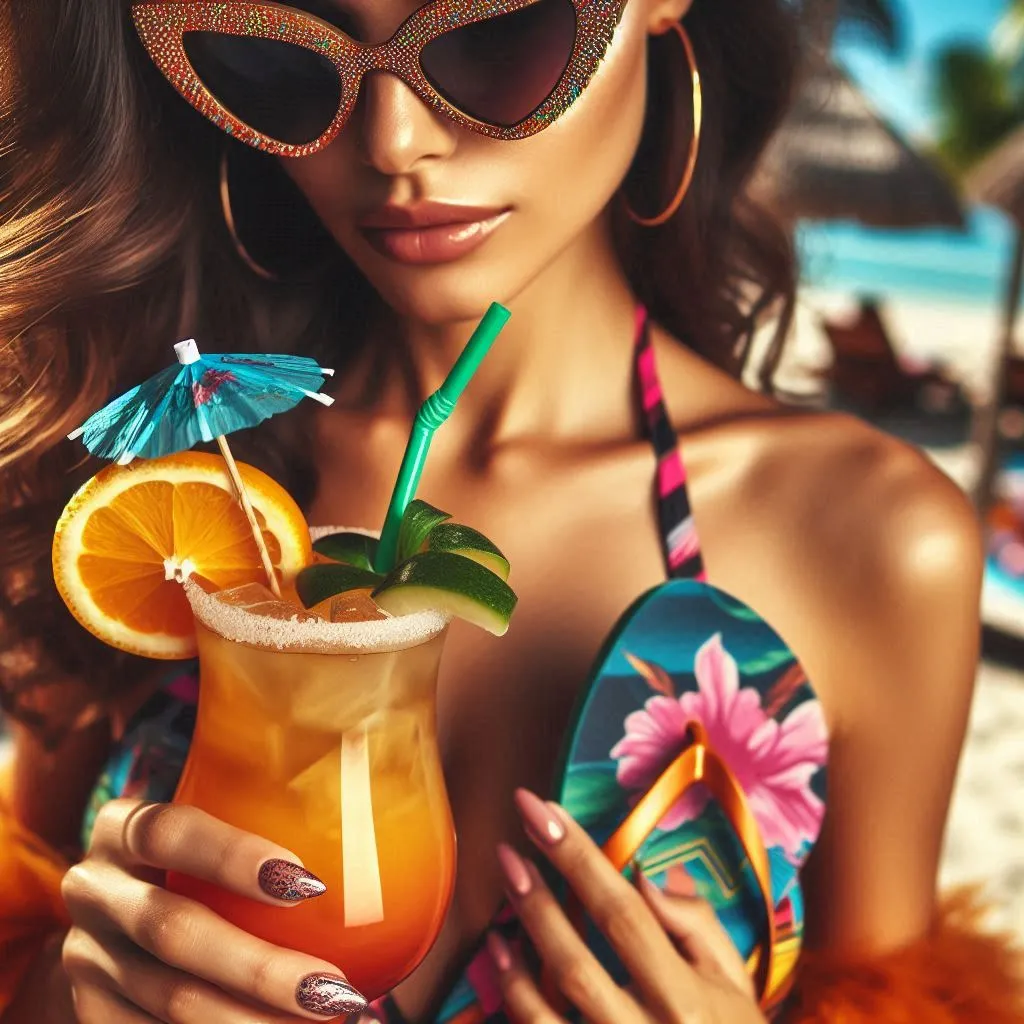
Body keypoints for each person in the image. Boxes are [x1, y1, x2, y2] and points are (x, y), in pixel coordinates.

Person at [0, 1, 1021, 1022]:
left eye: (493, 37)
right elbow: (29, 898)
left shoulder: (874, 539)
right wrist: (53, 988)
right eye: (280, 61)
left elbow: (903, 1001)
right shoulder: (164, 500)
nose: (396, 143)